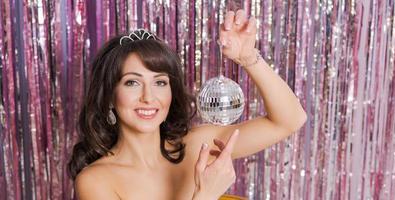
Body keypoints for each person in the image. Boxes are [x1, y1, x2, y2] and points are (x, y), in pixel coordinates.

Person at [68, 9, 307, 200]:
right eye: (132, 82)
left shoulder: (197, 147)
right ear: (109, 95)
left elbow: (289, 120)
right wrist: (206, 195)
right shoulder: (96, 181)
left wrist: (248, 58)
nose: (149, 97)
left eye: (160, 82)